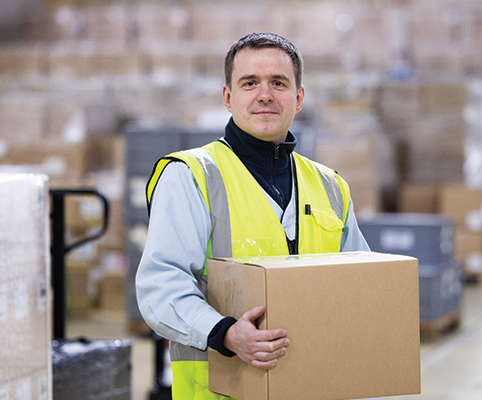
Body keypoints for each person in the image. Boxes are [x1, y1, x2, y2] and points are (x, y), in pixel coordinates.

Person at [136, 32, 370, 399]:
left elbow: (360, 287)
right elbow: (160, 287)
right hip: (220, 390)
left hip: (313, 385)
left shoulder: (331, 186)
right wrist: (225, 332)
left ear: (299, 98)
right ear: (228, 98)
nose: (265, 95)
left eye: (278, 83)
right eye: (250, 83)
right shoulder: (192, 175)